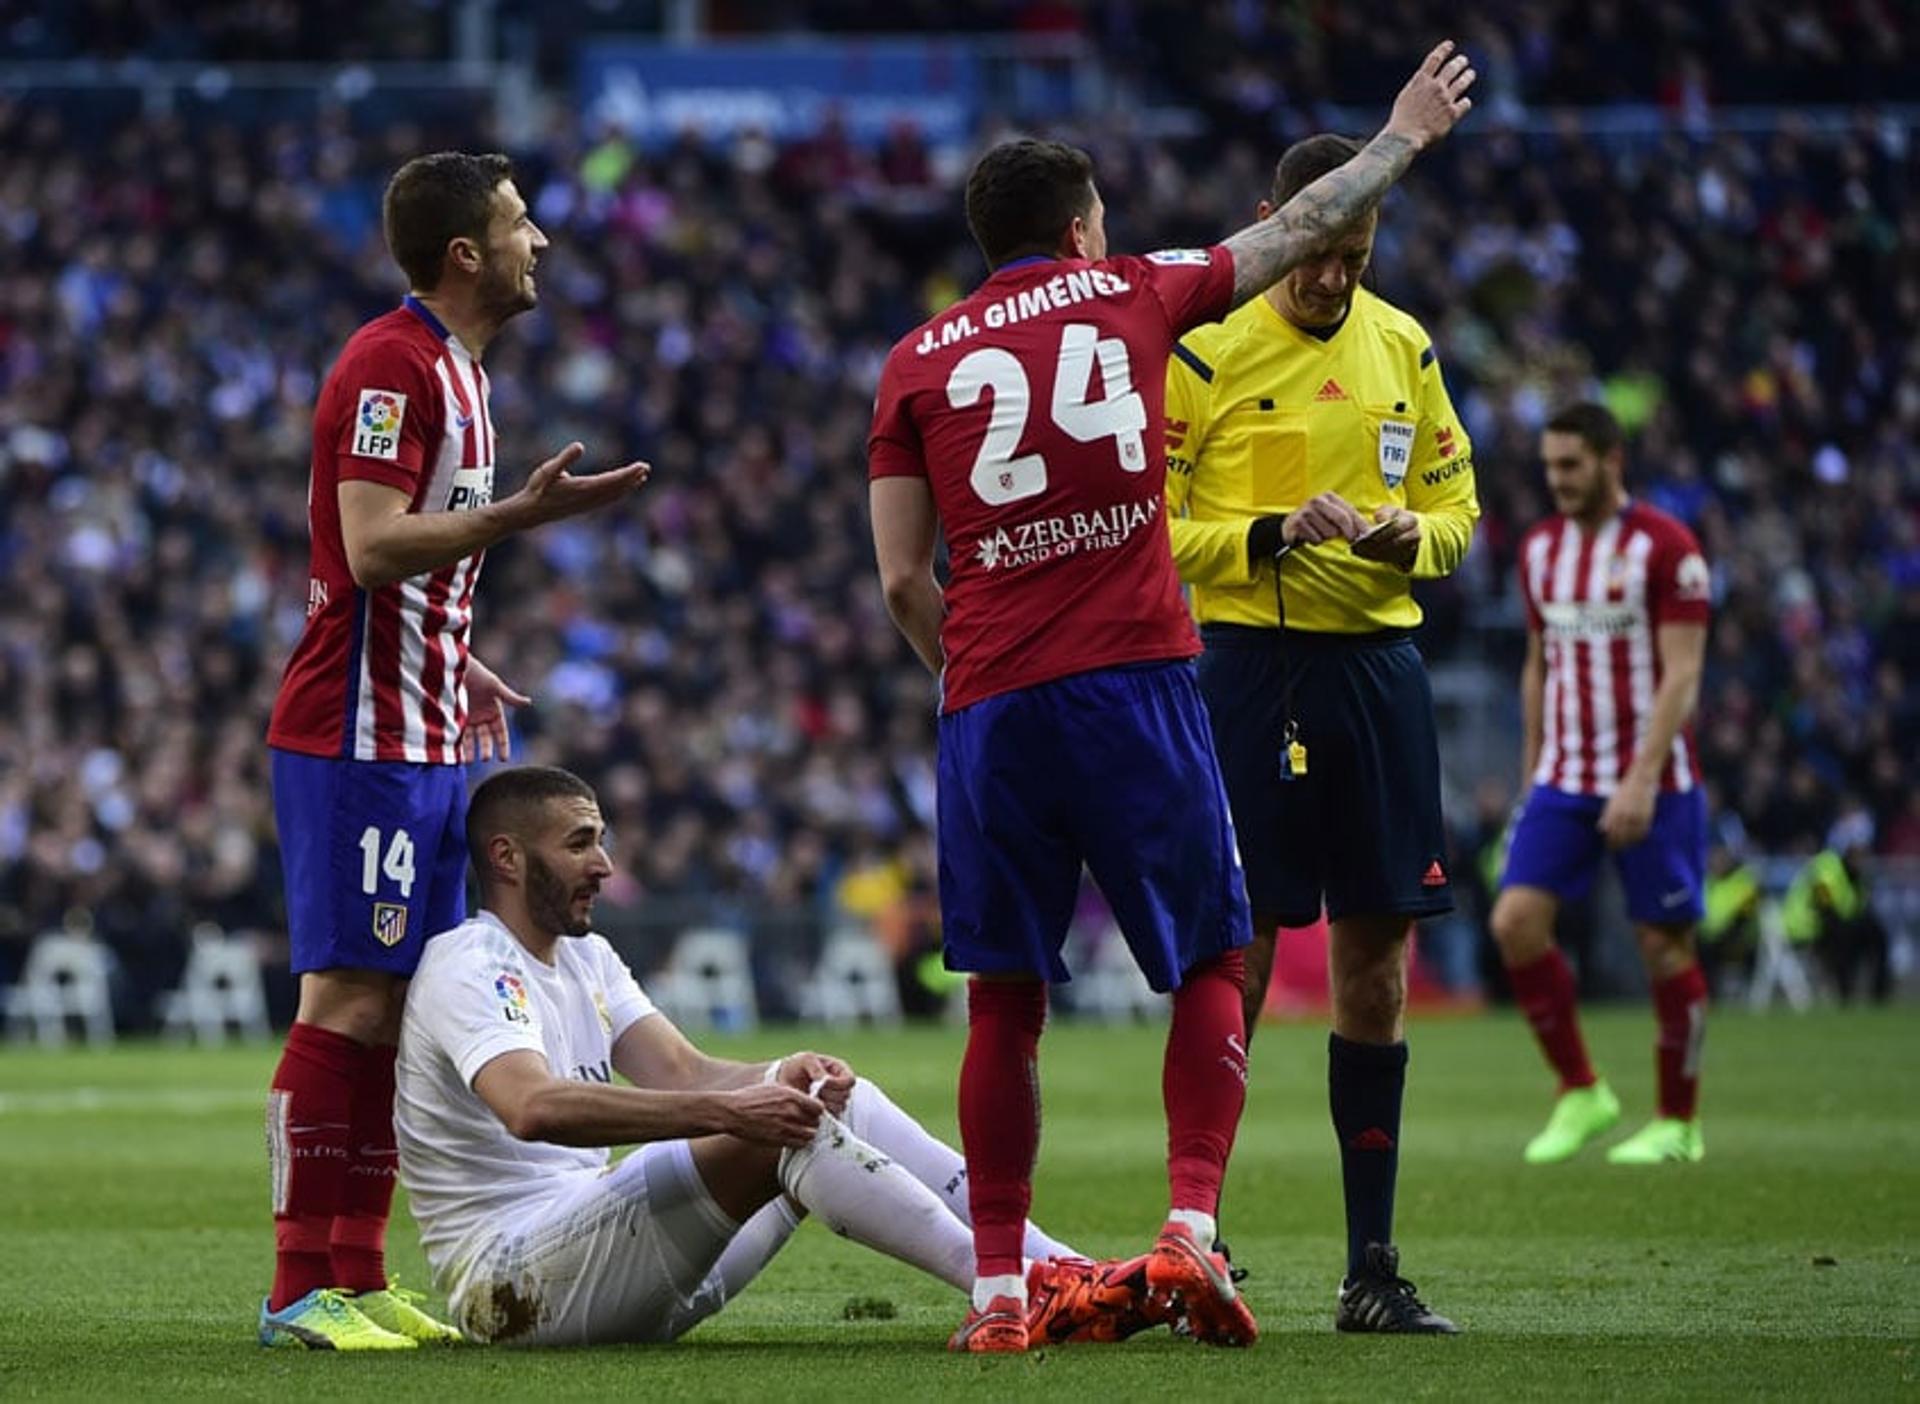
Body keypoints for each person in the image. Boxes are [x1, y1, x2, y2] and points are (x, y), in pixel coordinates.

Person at [868, 44, 1476, 1352]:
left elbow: (903, 579)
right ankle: (1192, 1232)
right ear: (1082, 225)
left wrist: (969, 681)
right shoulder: (1137, 295)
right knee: (1214, 953)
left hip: (994, 708)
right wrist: (1404, 137)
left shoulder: (916, 362)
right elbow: (1306, 220)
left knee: (1003, 999)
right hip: (1139, 683)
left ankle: (991, 1298)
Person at [259, 152, 652, 1350]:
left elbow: (400, 573)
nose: (541, 241)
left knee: (406, 1001)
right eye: (520, 223)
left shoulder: (463, 374)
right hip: (357, 738)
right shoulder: (392, 362)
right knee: (347, 997)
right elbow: (372, 547)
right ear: (465, 253)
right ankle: (295, 1291)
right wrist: (517, 517)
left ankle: (359, 1272)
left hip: (425, 726)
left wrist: (452, 650)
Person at [394, 765, 1160, 1347]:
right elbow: (531, 1108)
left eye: (601, 841)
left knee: (827, 1100)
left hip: (617, 1264)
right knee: (779, 1128)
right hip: (512, 1286)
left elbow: (686, 1073)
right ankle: (1013, 1292)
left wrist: (779, 1073)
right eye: (580, 844)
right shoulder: (471, 962)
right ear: (506, 857)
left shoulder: (585, 959)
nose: (605, 865)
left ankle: (1085, 1275)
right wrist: (736, 1112)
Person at [1162, 132, 1482, 1333]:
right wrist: (1263, 537)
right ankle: (1202, 1246)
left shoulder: (1405, 345)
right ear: (1273, 221)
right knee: (1233, 961)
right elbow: (1153, 529)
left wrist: (1412, 533)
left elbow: (1460, 506)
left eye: (1357, 254)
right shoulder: (1202, 347)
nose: (1334, 278)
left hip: (1380, 673)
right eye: (1319, 253)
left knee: (1377, 967)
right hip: (1247, 671)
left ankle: (1373, 1271)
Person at [1489, 402, 1714, 1166]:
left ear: (1611, 460)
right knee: (1515, 923)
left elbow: (1683, 672)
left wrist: (1641, 781)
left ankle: (1678, 1122)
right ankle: (1581, 1090)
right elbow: (1537, 664)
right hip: (1565, 777)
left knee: (1662, 944)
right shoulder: (1541, 549)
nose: (1557, 480)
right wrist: (1531, 773)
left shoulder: (1669, 548)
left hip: (1656, 779)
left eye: (1570, 466)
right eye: (1550, 466)